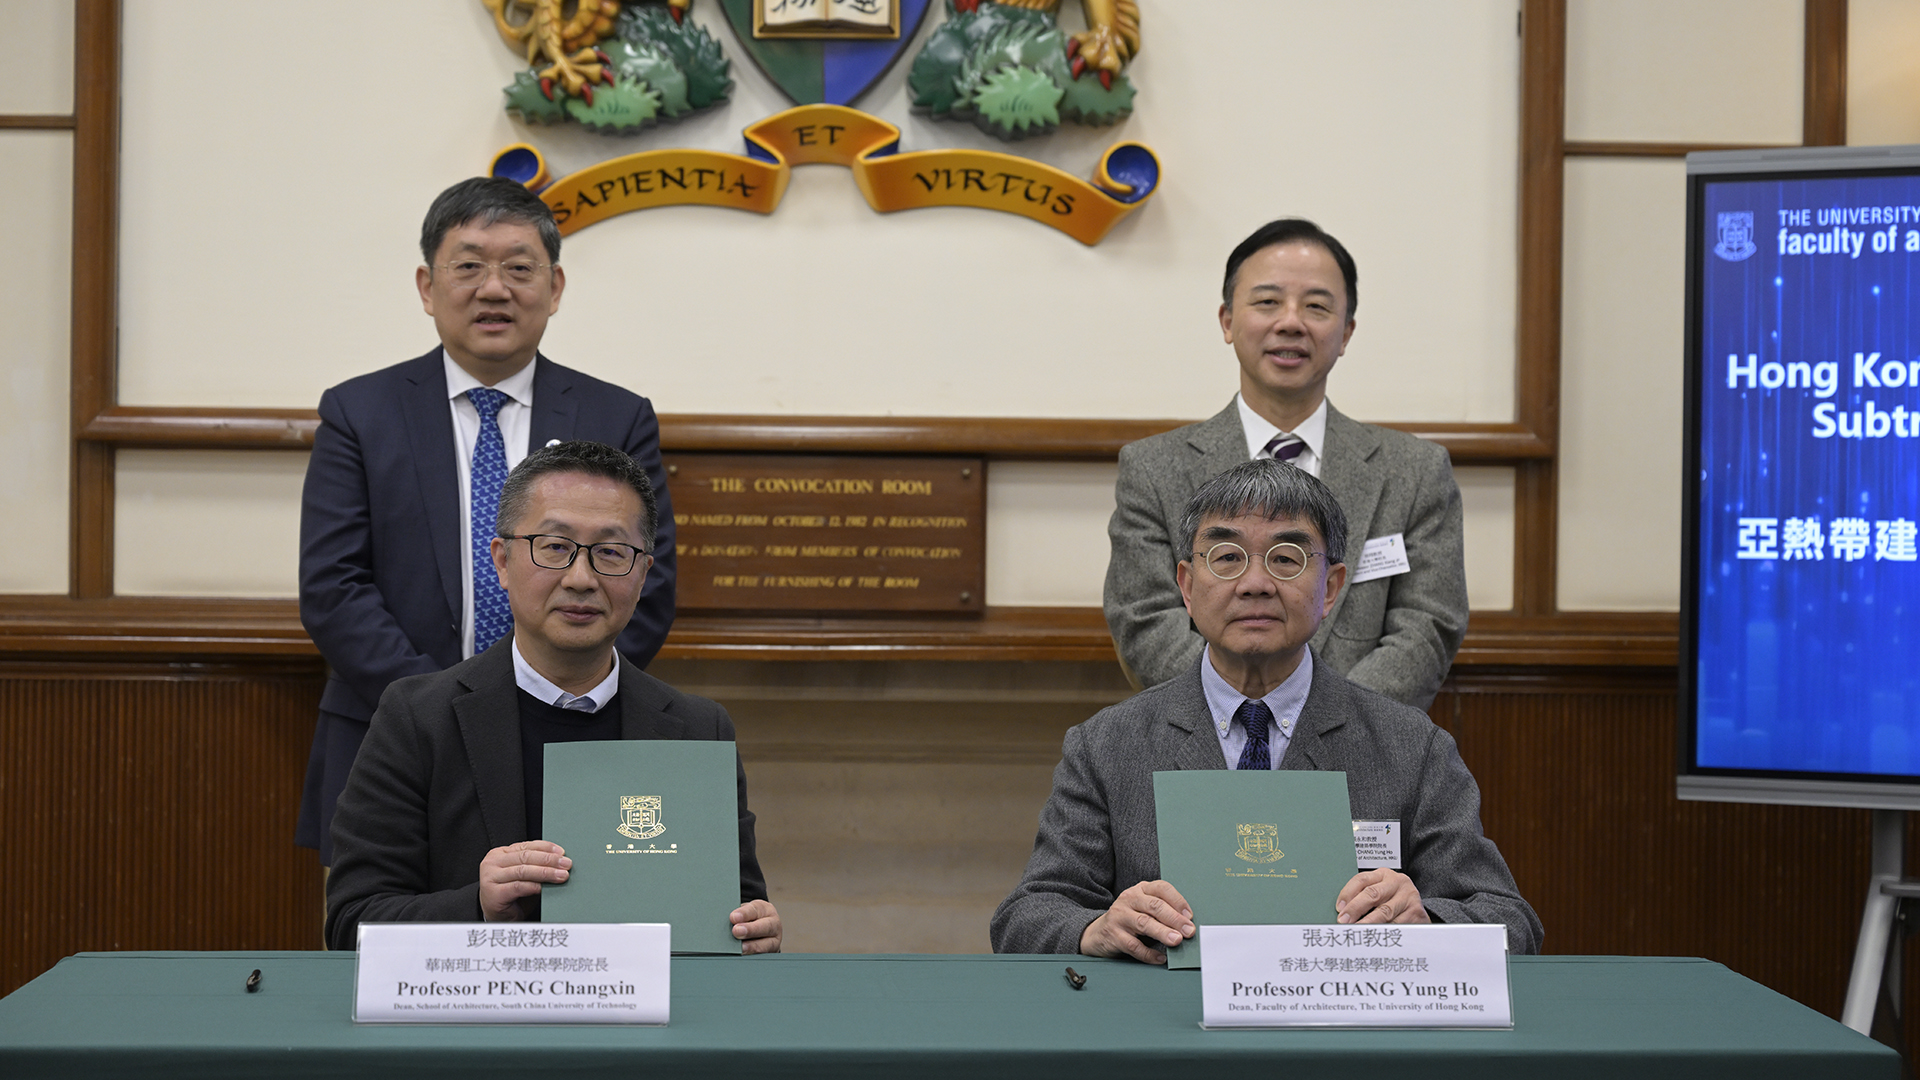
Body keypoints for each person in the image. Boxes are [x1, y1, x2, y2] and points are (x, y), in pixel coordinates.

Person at [994, 459, 1537, 961]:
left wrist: (1427, 922)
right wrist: (1095, 929)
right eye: (1227, 558)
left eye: (1286, 558)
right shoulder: (1107, 745)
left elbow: (1511, 922)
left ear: (1330, 588)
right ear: (1187, 585)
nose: (1255, 584)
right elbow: (1026, 916)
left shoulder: (1410, 746)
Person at [296, 177, 677, 866]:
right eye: (468, 266)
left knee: (574, 957)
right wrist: (439, 710)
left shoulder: (616, 417)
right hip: (394, 740)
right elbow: (334, 588)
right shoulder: (359, 413)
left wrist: (543, 700)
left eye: (518, 268)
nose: (494, 289)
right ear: (426, 285)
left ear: (555, 287)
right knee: (391, 959)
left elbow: (647, 580)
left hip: (570, 739)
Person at [325, 441, 778, 953]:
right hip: (475, 1023)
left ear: (645, 573)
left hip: (643, 1027)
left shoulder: (699, 729)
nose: (581, 579)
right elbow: (351, 924)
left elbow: (734, 908)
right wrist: (478, 906)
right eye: (555, 546)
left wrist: (753, 932)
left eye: (611, 552)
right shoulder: (416, 718)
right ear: (501, 560)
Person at [1104, 219, 1466, 710]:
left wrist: (1322, 724)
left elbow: (1427, 627)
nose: (1291, 322)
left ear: (1346, 332)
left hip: (1361, 753)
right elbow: (1143, 620)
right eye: (1267, 301)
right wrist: (1250, 716)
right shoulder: (1152, 468)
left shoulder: (1416, 471)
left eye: (1316, 306)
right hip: (1207, 753)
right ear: (1228, 321)